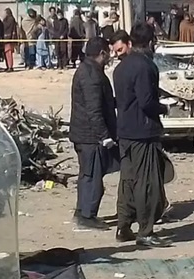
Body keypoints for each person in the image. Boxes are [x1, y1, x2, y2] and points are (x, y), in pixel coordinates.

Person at [113, 23, 169, 248]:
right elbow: (146, 102)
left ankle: (123, 226)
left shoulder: (121, 67)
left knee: (127, 180)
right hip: (142, 132)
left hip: (125, 131)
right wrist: (164, 108)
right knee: (147, 182)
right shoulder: (144, 66)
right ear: (150, 42)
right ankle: (145, 231)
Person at [69, 37, 118, 230]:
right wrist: (104, 136)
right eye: (108, 52)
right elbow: (94, 110)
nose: (110, 57)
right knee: (92, 176)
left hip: (85, 134)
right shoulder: (91, 75)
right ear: (102, 53)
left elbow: (102, 103)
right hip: (90, 136)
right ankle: (87, 215)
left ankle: (83, 211)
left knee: (88, 174)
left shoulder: (88, 70)